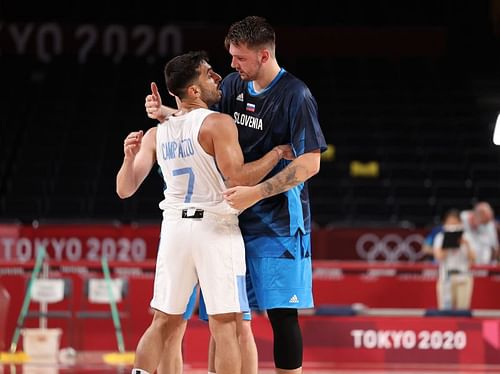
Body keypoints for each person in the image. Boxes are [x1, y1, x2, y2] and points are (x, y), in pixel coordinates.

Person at [146, 16, 327, 374]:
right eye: (230, 56)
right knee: (226, 319)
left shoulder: (295, 95)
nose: (231, 65)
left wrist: (255, 193)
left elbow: (310, 163)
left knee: (282, 317)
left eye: (239, 57)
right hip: (229, 220)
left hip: (278, 224)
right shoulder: (232, 85)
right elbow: (204, 127)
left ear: (263, 55)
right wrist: (165, 113)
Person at [117, 50, 293, 374]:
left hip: (174, 230)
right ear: (194, 90)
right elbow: (237, 177)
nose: (216, 77)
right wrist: (276, 154)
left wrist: (129, 158)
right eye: (208, 73)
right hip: (214, 226)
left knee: (162, 322)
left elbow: (124, 189)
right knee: (226, 325)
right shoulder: (218, 122)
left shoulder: (158, 132)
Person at [432, 209, 476, 310]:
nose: (452, 225)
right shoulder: (440, 237)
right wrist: (448, 243)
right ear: (445, 224)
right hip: (446, 278)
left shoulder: (467, 237)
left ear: (460, 223)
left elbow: (473, 259)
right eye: (450, 223)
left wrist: (466, 244)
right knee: (445, 311)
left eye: (455, 223)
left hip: (463, 277)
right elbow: (439, 257)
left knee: (462, 311)